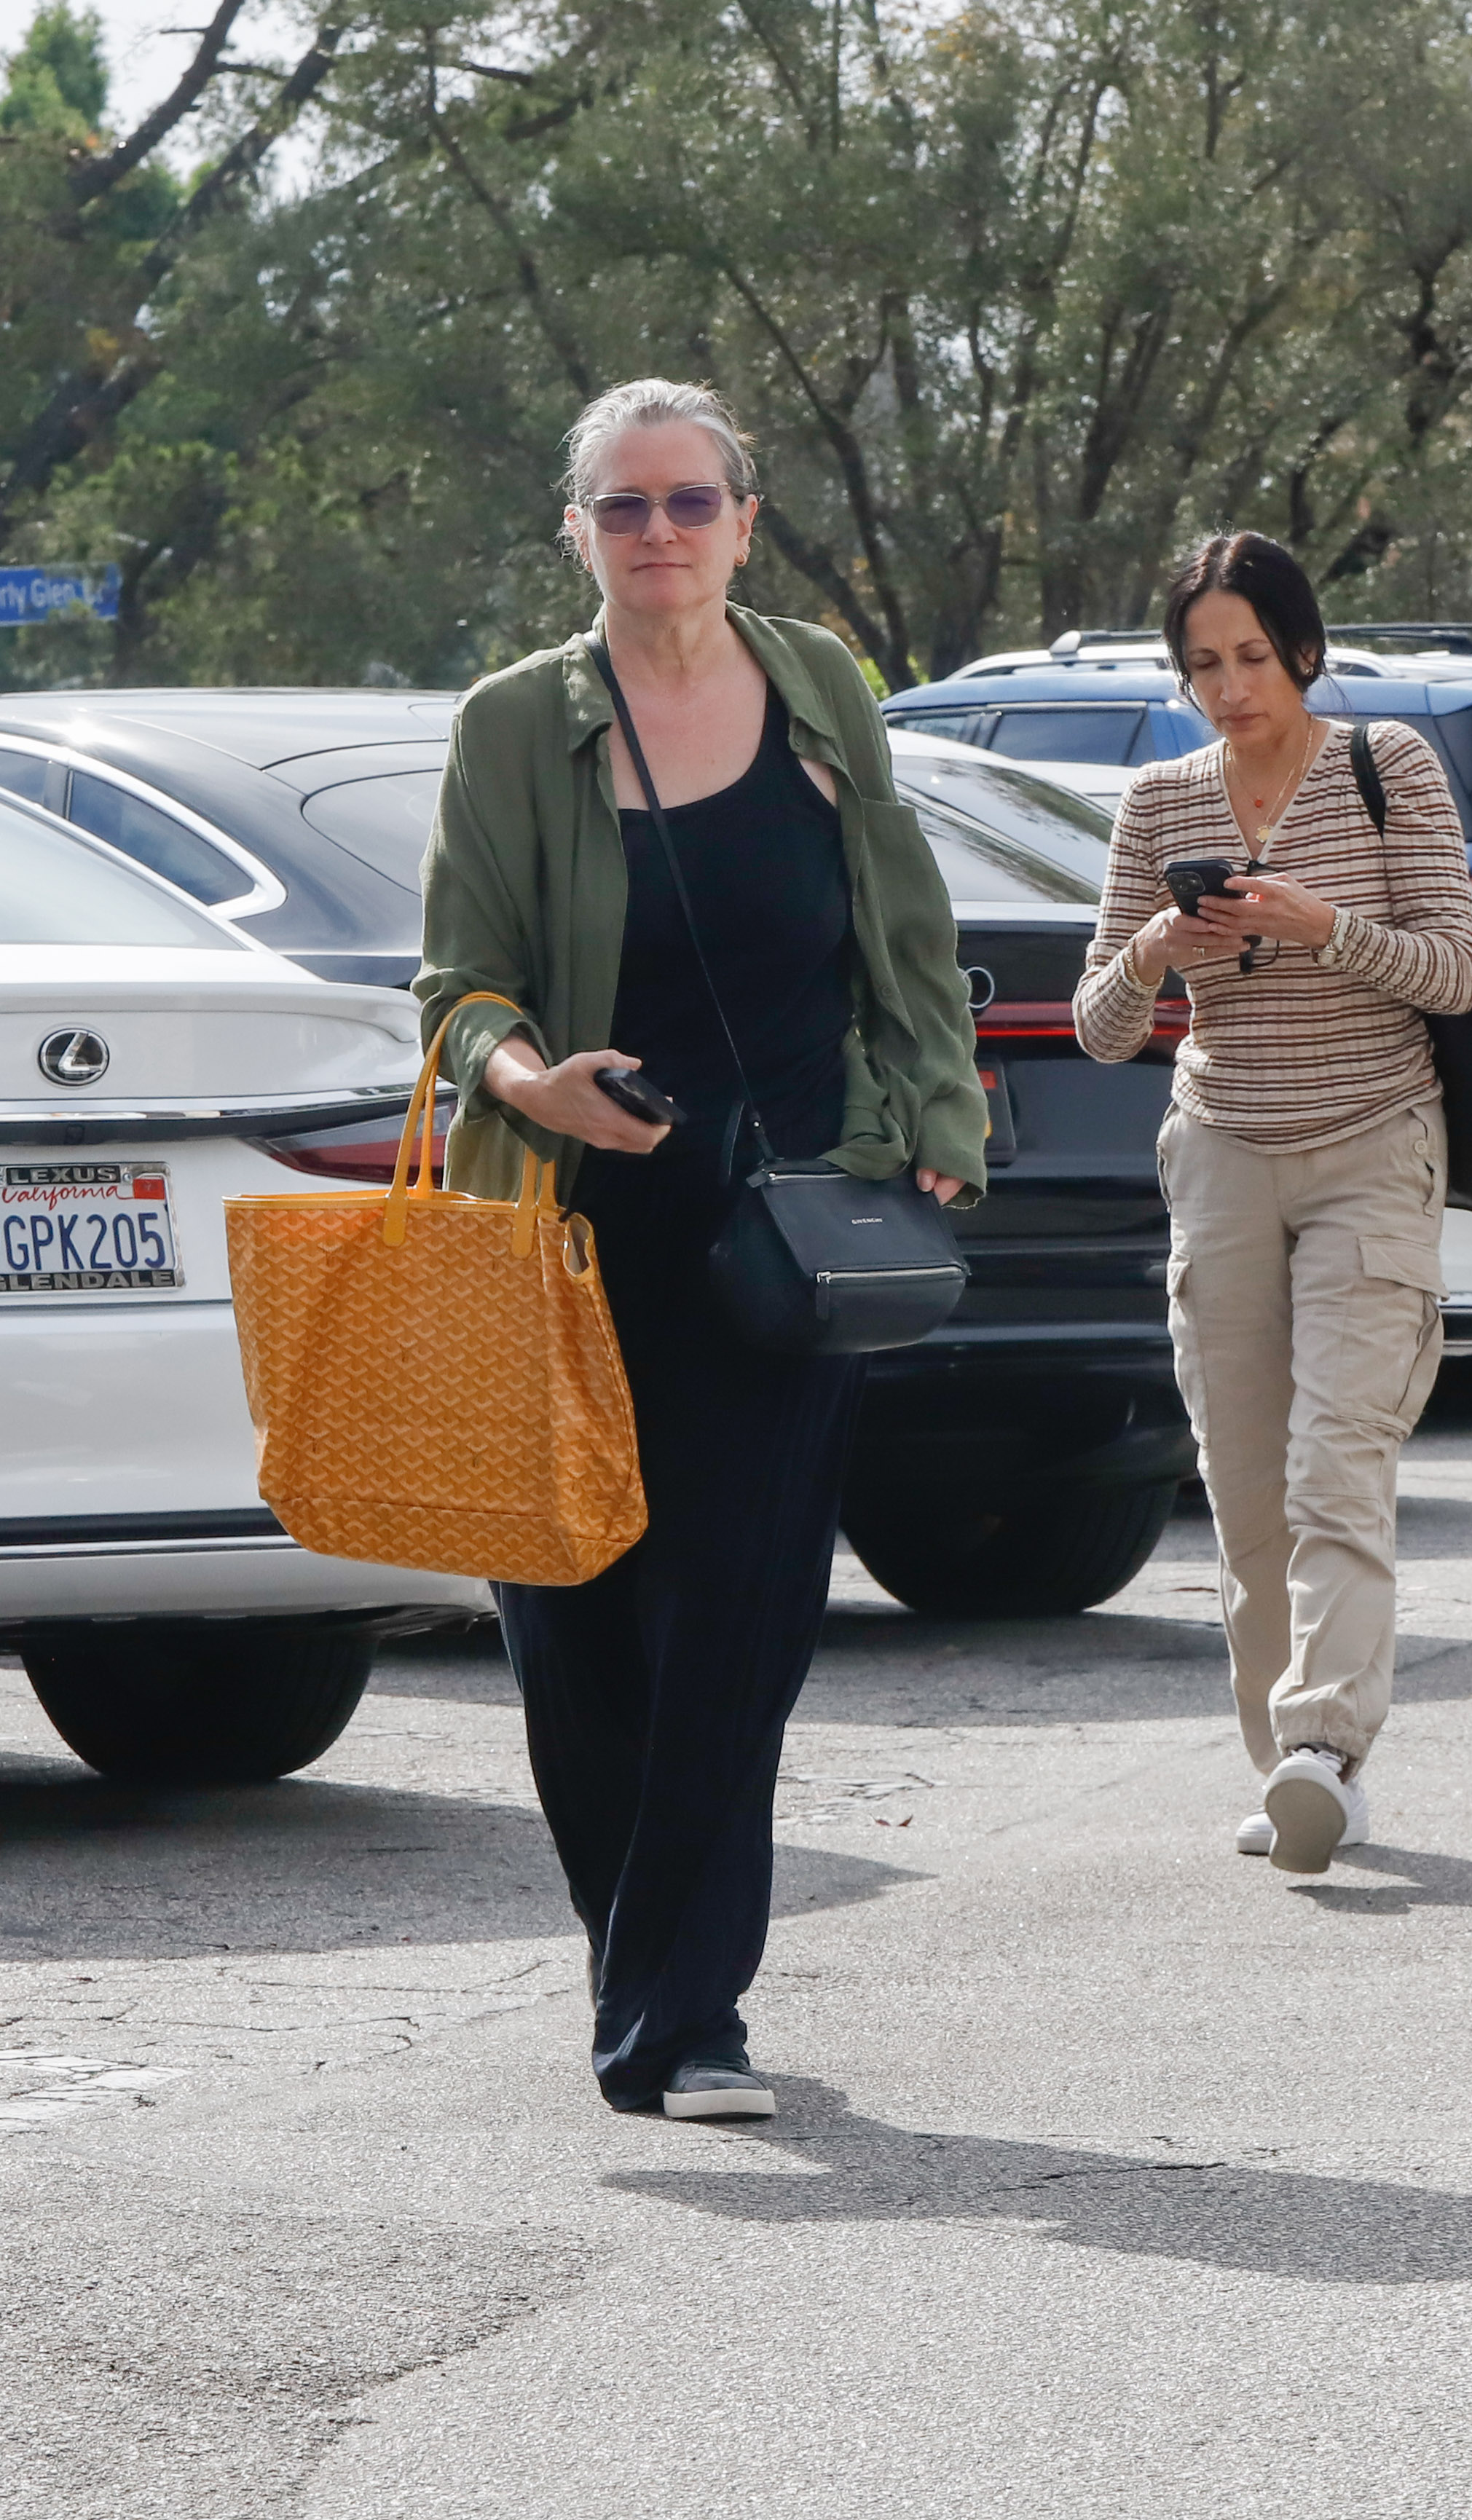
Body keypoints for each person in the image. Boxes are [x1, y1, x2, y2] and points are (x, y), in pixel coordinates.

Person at [415, 378, 986, 2117]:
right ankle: (643, 1963)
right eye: (622, 507)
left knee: (735, 1624)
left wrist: (935, 1125)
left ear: (743, 520)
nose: (656, 533)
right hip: (567, 1237)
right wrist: (536, 1082)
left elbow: (898, 921)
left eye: (687, 502)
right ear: (575, 534)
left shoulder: (818, 685)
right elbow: (460, 989)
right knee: (577, 1626)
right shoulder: (516, 725)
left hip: (782, 1236)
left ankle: (688, 2013)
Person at [1073, 532, 1472, 1874]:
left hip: (1373, 1143)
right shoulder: (1158, 803)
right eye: (1202, 663)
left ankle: (1323, 1750)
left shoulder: (1385, 769)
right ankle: (1284, 1764)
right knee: (1244, 1490)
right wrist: (1154, 948)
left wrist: (1320, 926)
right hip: (1220, 1153)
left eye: (1251, 655)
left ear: (1301, 647)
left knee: (1336, 1463)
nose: (1229, 685)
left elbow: (1452, 976)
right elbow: (1094, 1022)